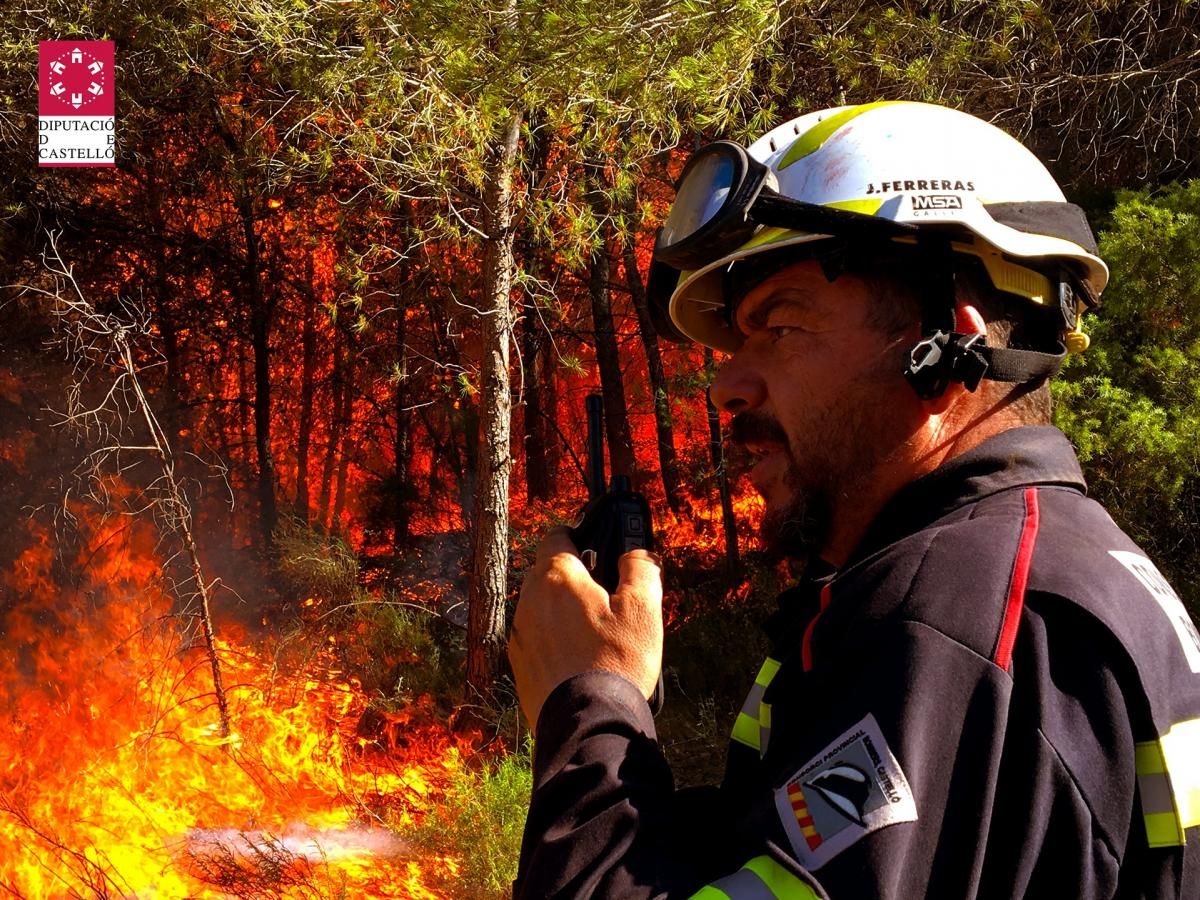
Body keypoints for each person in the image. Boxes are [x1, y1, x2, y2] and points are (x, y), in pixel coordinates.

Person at [506, 101, 1200, 899]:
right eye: (733, 342)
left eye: (782, 326)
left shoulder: (955, 623)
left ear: (945, 350)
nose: (726, 384)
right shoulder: (1047, 565)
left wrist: (588, 704)